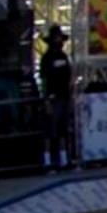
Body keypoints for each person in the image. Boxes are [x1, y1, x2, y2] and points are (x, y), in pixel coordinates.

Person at [37, 25, 76, 169]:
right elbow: (44, 79)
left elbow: (69, 76)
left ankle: (64, 159)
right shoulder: (47, 58)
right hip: (53, 98)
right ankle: (48, 161)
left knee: (63, 130)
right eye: (57, 38)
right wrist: (46, 99)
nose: (59, 40)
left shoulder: (64, 57)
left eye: (60, 38)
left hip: (64, 96)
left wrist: (71, 95)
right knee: (50, 131)